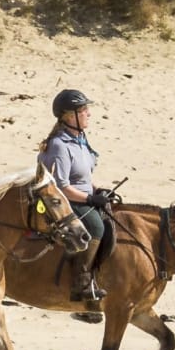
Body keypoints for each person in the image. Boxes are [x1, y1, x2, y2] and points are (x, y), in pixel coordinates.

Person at [38, 89, 111, 303]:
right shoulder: (60, 145)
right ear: (69, 116)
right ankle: (81, 280)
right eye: (83, 110)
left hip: (81, 196)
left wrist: (98, 190)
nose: (89, 113)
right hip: (64, 201)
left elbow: (84, 177)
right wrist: (89, 199)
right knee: (96, 226)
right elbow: (61, 186)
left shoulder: (80, 140)